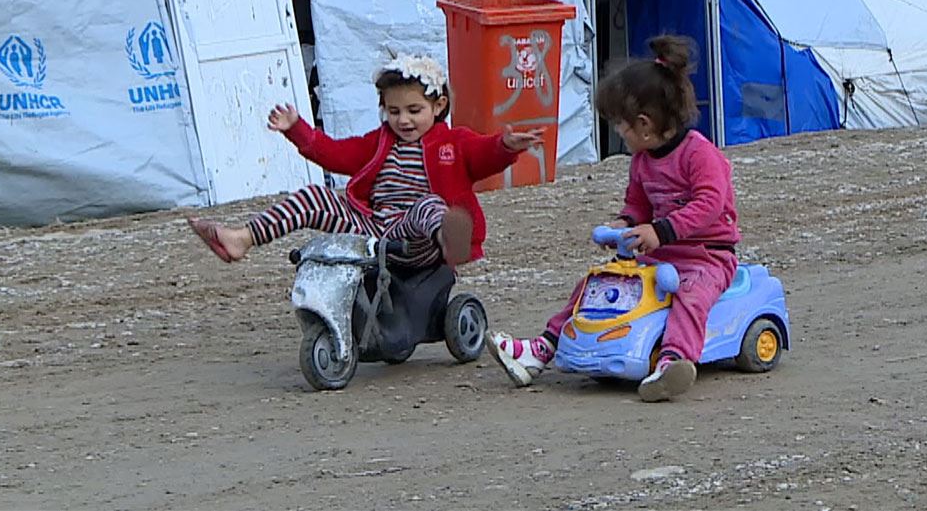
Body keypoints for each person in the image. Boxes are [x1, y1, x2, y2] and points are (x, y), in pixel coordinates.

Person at [484, 35, 739, 403]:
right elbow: (637, 202)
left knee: (690, 294)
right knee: (597, 282)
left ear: (645, 125)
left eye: (621, 125)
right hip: (659, 251)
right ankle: (542, 348)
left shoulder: (699, 154)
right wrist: (625, 224)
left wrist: (662, 230)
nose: (618, 132)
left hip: (706, 254)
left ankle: (674, 361)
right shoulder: (642, 161)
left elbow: (711, 202)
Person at [186, 53, 542, 268]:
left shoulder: (453, 143)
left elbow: (485, 155)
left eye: (414, 111)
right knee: (315, 195)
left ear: (439, 106)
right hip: (373, 230)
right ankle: (242, 238)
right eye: (394, 111)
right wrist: (296, 129)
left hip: (415, 241)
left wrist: (506, 145)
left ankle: (452, 243)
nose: (403, 120)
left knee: (431, 205)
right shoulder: (379, 143)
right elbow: (334, 153)